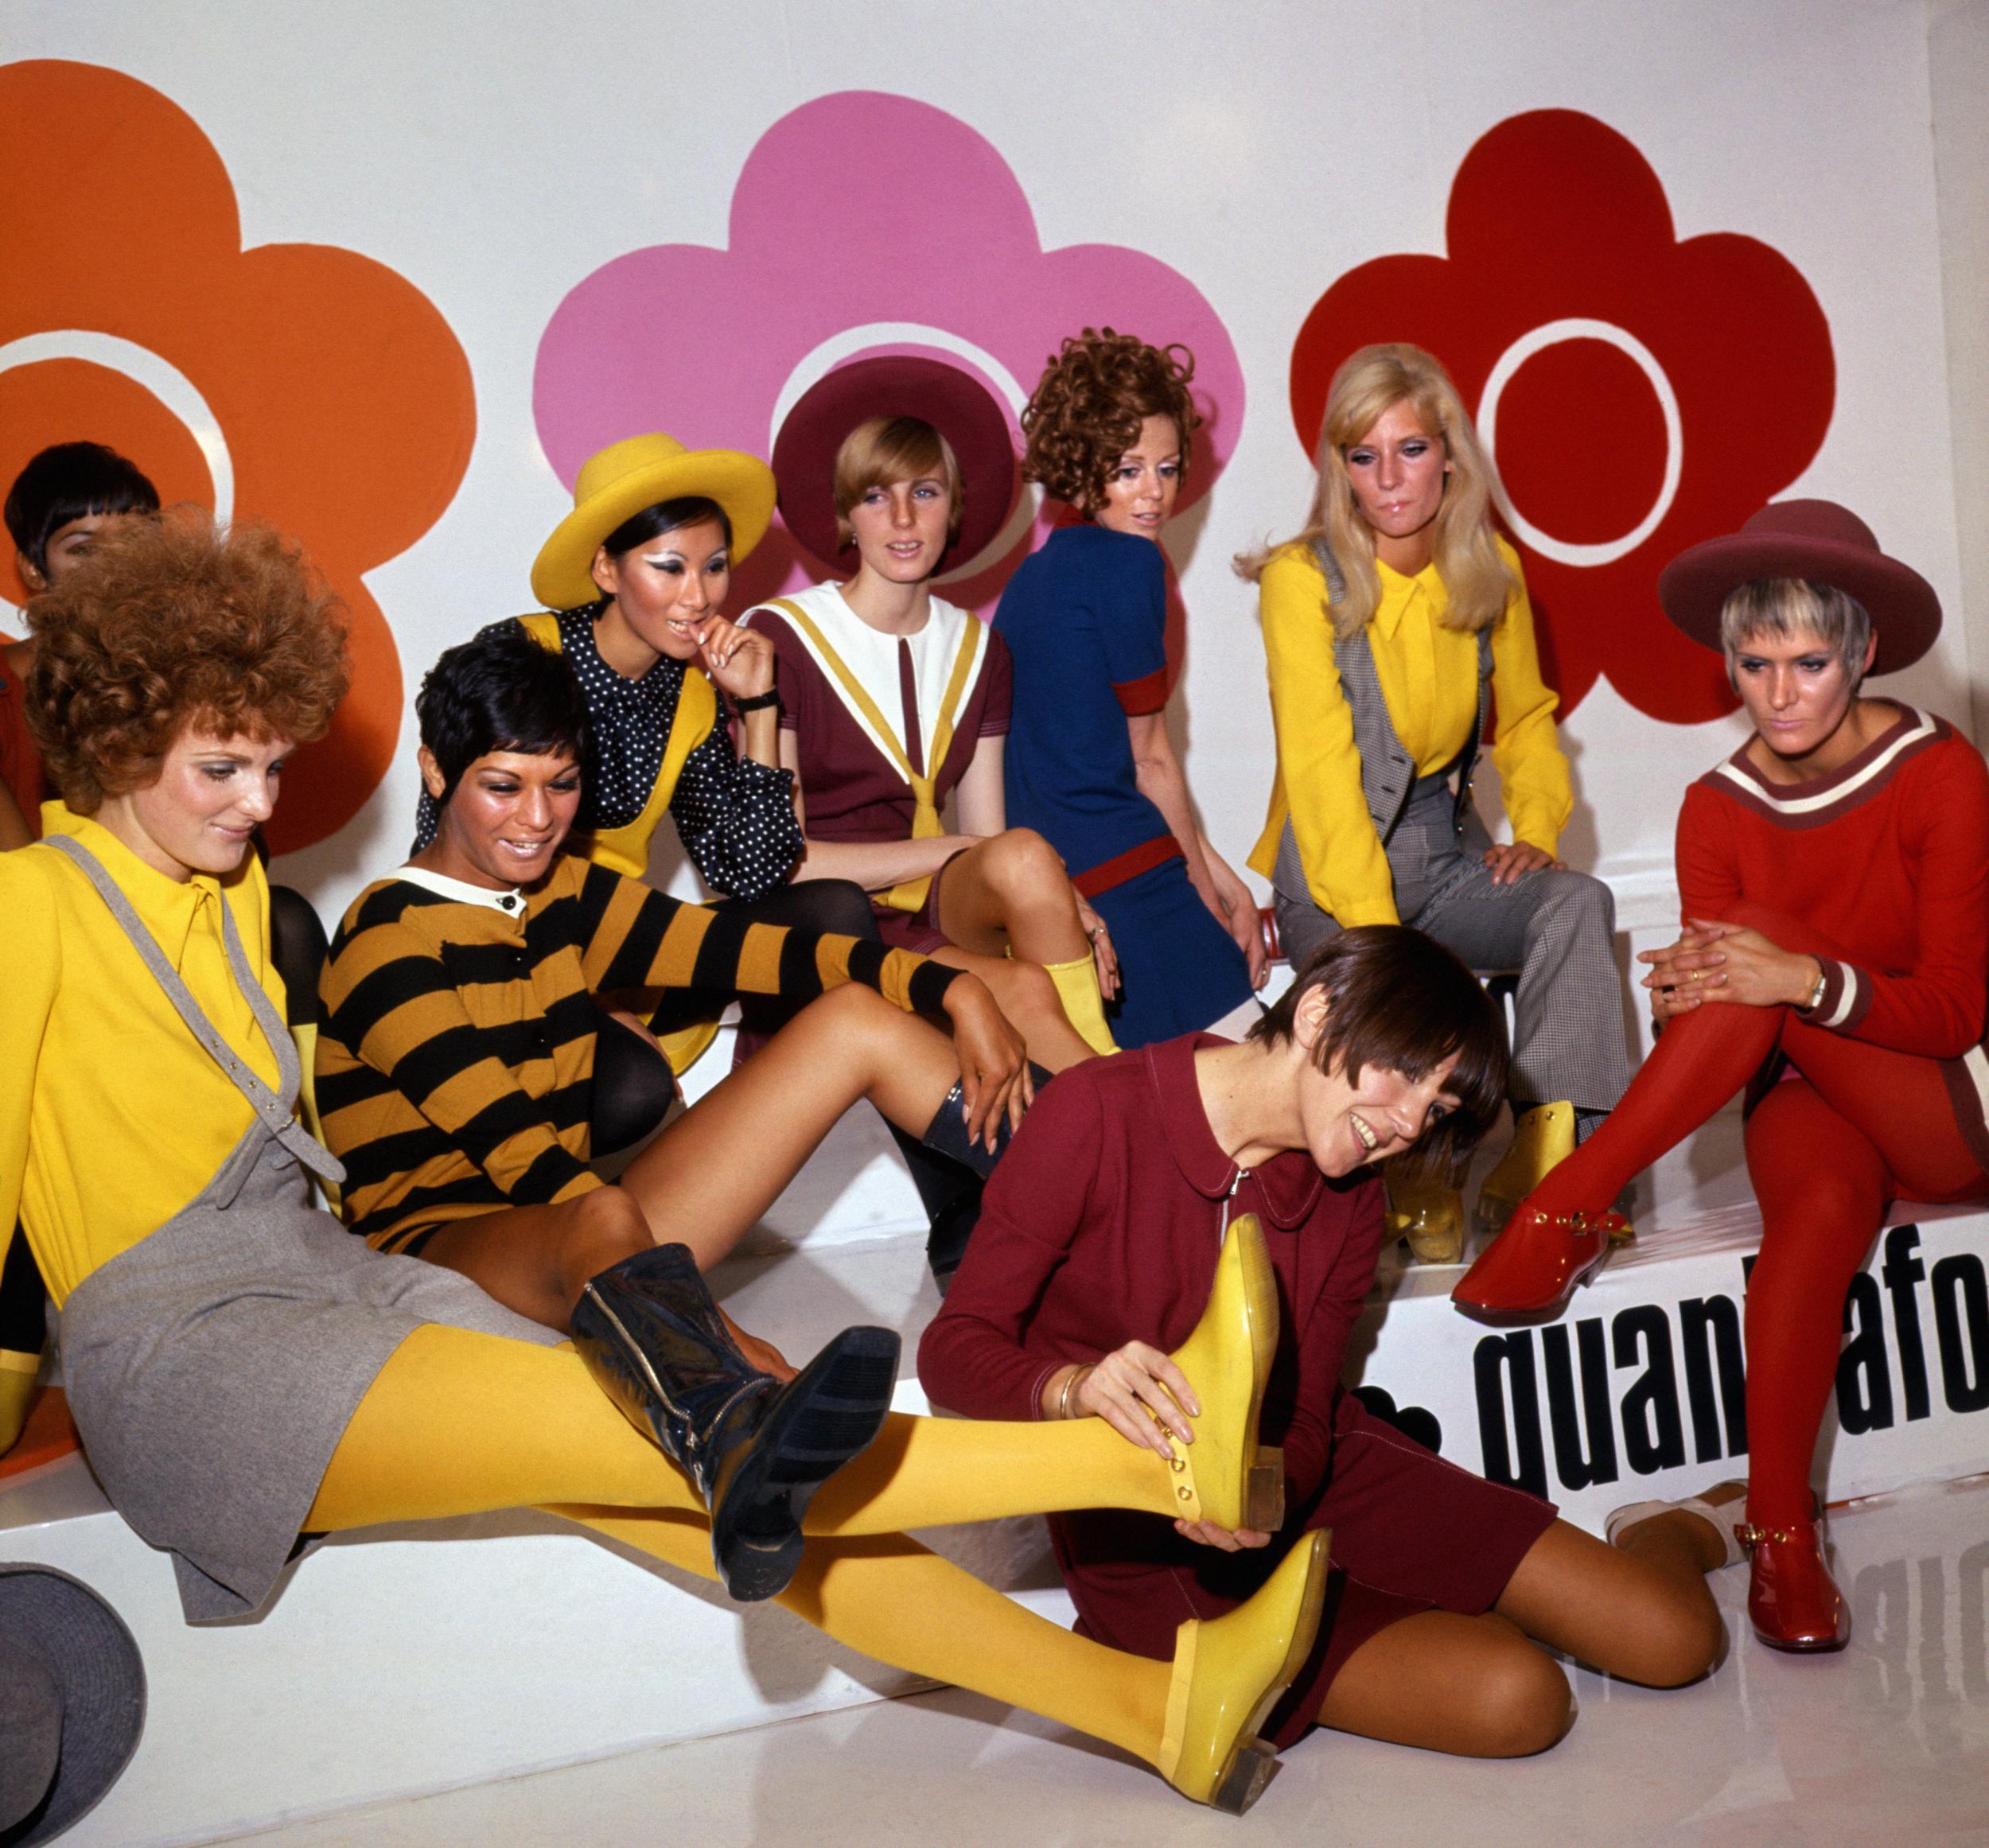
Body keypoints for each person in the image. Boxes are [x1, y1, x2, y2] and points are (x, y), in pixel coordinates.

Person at [0, 510, 1345, 1811]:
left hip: (337, 1283)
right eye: (220, 771)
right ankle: (1147, 1464)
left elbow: (753, 945)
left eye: (271, 768)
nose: (260, 805)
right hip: (195, 1350)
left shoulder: (234, 895)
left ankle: (1160, 1710)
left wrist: (946, 988)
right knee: (690, 1428)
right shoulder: (32, 906)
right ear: (117, 739)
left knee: (708, 1459)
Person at [921, 928, 1726, 1761]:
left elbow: (1304, 1417)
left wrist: (1260, 1492)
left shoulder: (1349, 1201)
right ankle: (1459, 1617)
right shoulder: (1095, 1110)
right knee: (1517, 1700)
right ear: (1316, 1011)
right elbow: (952, 1351)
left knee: (1672, 1640)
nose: (1411, 1123)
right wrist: (1073, 1387)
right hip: (1142, 1539)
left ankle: (1669, 1525)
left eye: (1439, 1107)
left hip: (1311, 1481)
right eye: (1408, 1075)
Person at [1453, 499, 1981, 1655]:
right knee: (1815, 1219)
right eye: (1755, 662)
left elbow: (1956, 1007)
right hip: (1804, 1090)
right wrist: (1689, 993)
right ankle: (1784, 1537)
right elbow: (1727, 995)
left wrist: (1791, 974)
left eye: (1809, 662)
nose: (1780, 691)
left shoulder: (1938, 771)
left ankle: (1566, 1200)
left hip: (1938, 1096)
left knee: (1748, 937)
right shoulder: (1715, 807)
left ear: (1861, 654)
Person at [1238, 343, 1631, 1262]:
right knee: (1392, 1014)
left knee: (1577, 903)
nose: (1389, 479)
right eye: (1362, 456)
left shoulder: (1487, 565)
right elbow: (1323, 772)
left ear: (1447, 453)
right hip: (1333, 876)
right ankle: (1416, 1173)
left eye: (1409, 450)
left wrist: (1535, 830)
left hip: (1443, 854)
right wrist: (1388, 952)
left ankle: (1549, 1158)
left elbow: (1529, 716)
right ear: (1338, 467)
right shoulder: (1302, 579)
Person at [747, 355, 1120, 1071]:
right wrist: (952, 850)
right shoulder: (781, 636)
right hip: (831, 918)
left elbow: (989, 843)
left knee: (1025, 859)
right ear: (845, 514)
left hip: (939, 911)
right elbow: (786, 866)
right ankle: (1113, 1096)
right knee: (1020, 990)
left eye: (926, 491)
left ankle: (1111, 1098)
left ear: (955, 508)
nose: (904, 518)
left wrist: (1057, 891)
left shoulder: (981, 648)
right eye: (876, 496)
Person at [994, 329, 1263, 1048]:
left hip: (1064, 889)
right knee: (1260, 1086)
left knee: (1155, 1112)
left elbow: (1104, 755)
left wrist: (1217, 871)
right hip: (1133, 883)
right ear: (1082, 470)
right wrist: (1204, 900)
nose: (1154, 493)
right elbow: (1148, 760)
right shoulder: (1132, 568)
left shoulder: (1030, 580)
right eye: (1128, 468)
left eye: (1168, 469)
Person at [0, 442, 162, 1457]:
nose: (111, 572)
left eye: (133, 547)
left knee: (287, 926)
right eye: (82, 546)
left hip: (156, 979)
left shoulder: (185, 692)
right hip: (35, 968)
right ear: (29, 571)